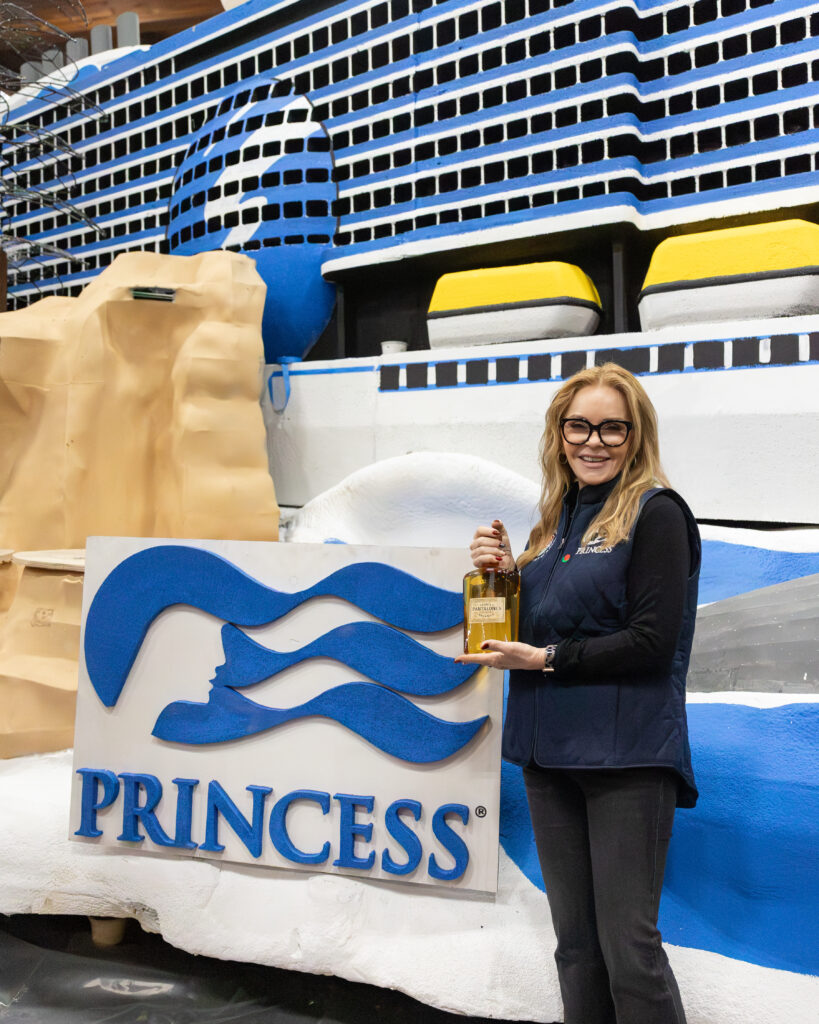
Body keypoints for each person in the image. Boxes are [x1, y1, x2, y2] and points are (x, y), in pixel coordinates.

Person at [456, 363, 700, 1024]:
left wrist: (548, 658)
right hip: (548, 755)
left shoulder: (656, 514)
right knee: (575, 951)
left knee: (629, 951)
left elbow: (650, 641)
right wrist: (503, 578)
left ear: (635, 435)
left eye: (611, 428)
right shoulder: (553, 523)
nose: (593, 441)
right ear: (559, 434)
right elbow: (521, 631)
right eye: (579, 426)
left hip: (625, 757)